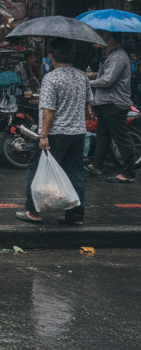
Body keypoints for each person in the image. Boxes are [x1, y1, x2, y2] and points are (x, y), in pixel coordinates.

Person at [17, 38, 93, 225]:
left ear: (51, 56)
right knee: (75, 172)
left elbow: (48, 111)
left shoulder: (51, 78)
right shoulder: (81, 76)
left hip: (56, 133)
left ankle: (34, 211)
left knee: (37, 168)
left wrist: (43, 136)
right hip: (78, 132)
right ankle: (76, 215)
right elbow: (87, 105)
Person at [85, 29, 136, 183]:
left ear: (111, 38)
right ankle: (96, 166)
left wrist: (87, 82)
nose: (101, 39)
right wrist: (94, 75)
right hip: (106, 103)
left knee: (121, 138)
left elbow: (108, 80)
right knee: (103, 136)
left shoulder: (118, 56)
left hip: (114, 103)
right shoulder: (111, 55)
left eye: (103, 36)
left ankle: (128, 173)